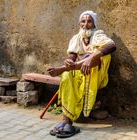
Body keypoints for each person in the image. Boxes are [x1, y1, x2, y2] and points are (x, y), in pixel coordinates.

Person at [48, 10, 116, 138]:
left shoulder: (99, 35)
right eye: (83, 21)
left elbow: (112, 46)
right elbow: (72, 56)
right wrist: (69, 61)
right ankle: (66, 121)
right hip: (80, 71)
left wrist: (91, 58)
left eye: (89, 21)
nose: (86, 24)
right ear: (80, 24)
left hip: (96, 73)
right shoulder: (77, 38)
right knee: (67, 76)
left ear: (94, 24)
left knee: (97, 55)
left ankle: (63, 68)